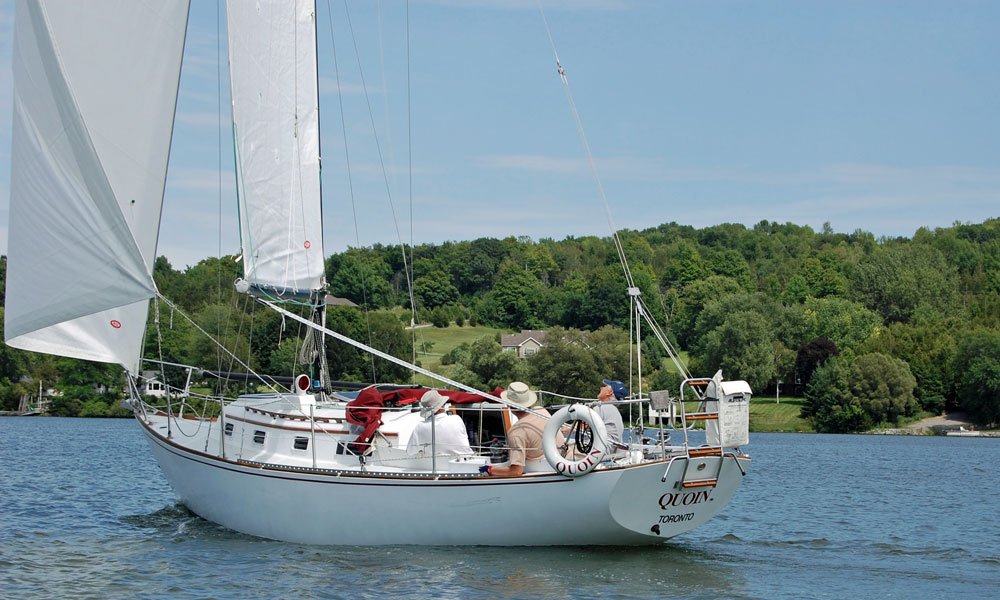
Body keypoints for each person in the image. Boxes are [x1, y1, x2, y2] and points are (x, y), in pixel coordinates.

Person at [479, 381, 564, 477]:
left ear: (508, 404)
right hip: (563, 461)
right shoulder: (541, 410)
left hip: (546, 469)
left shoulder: (516, 432)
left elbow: (515, 472)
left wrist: (489, 470)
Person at [406, 390, 473, 456]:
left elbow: (410, 452)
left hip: (437, 464)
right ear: (442, 406)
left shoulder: (419, 427)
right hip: (465, 461)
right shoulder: (456, 419)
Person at [596, 378, 626, 448]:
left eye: (604, 386)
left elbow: (582, 426)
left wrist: (564, 429)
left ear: (610, 393)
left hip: (598, 452)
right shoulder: (616, 412)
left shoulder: (601, 408)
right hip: (610, 451)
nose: (601, 388)